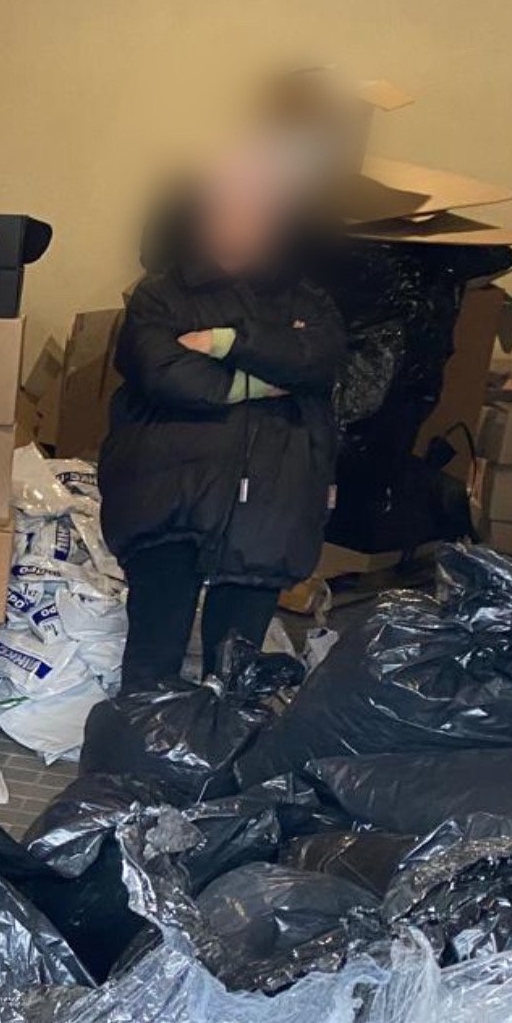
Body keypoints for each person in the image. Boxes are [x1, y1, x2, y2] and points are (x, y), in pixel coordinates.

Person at [99, 120, 348, 693]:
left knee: (236, 669)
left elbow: (318, 357)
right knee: (153, 656)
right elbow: (164, 372)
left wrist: (223, 343)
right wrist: (264, 379)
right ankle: (141, 743)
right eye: (228, 209)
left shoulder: (307, 300)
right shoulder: (161, 294)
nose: (241, 223)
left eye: (258, 211)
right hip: (169, 494)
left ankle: (222, 741)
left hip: (270, 501)